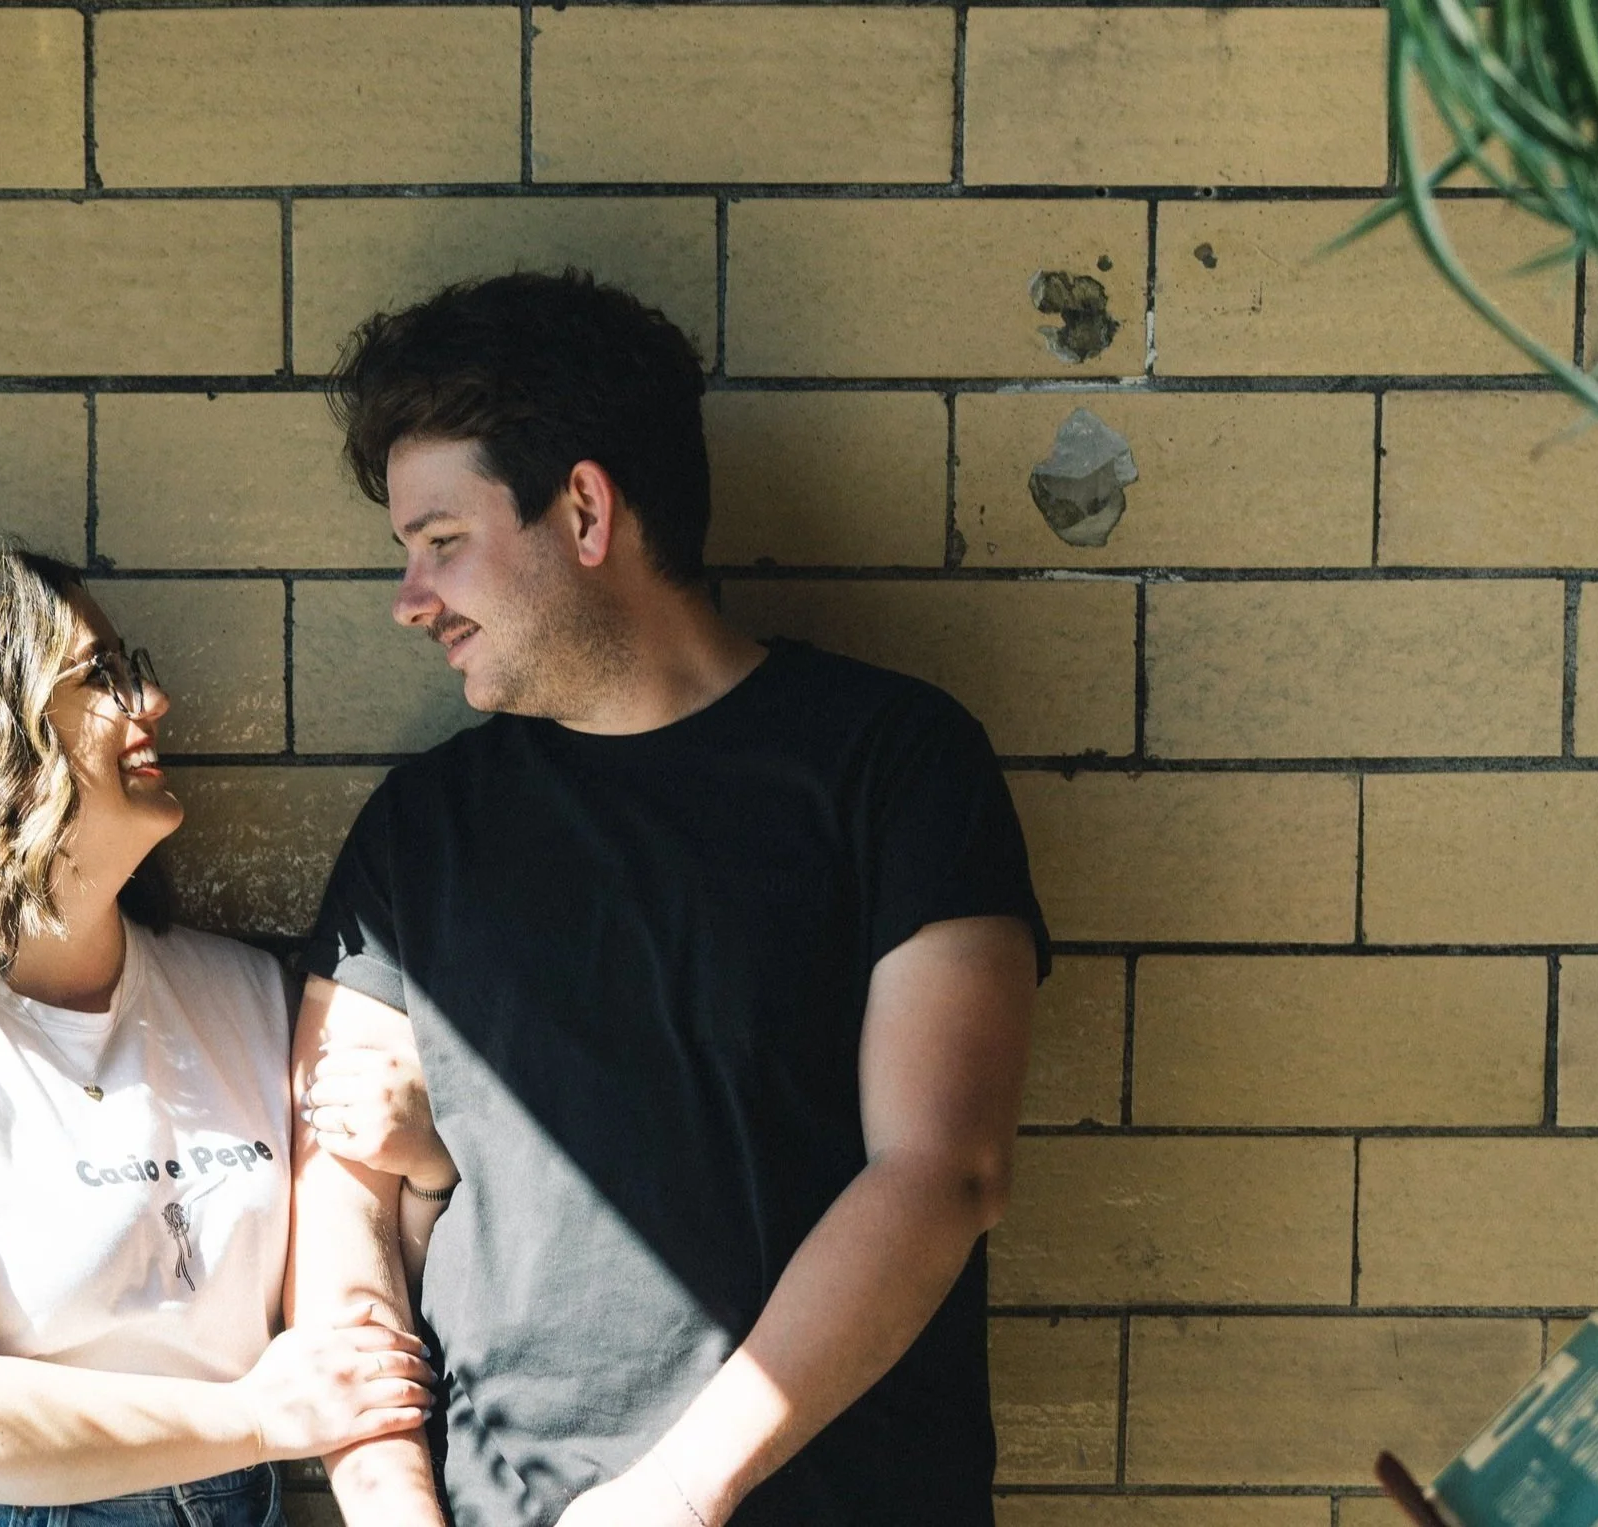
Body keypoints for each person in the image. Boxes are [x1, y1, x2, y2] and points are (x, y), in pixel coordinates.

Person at [287, 272, 1050, 1527]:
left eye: (441, 542)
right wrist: (391, 1508)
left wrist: (680, 1496)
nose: (410, 601)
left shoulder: (894, 765)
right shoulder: (419, 832)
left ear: (586, 511)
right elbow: (343, 1205)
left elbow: (943, 1170)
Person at [0, 549, 447, 1527]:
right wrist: (254, 1418)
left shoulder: (243, 995)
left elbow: (351, 1323)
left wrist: (425, 1167)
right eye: (100, 676)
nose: (151, 702)